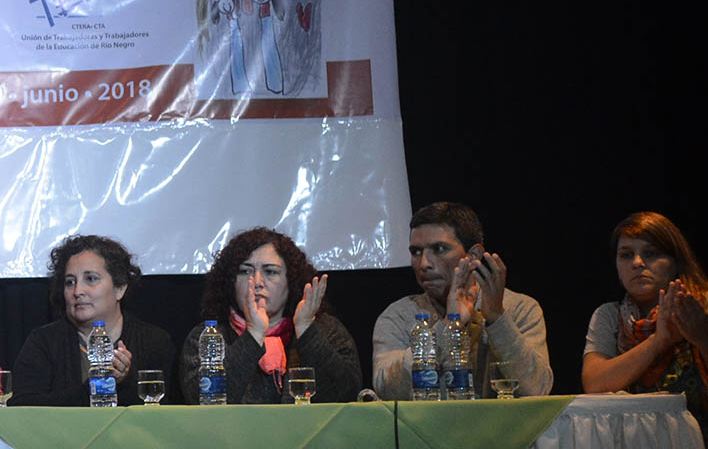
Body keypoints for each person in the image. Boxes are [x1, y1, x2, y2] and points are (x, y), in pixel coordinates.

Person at [373, 202, 553, 399]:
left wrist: (497, 319)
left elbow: (537, 389)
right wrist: (449, 326)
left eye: (439, 248)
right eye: (416, 252)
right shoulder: (398, 315)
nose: (424, 264)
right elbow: (387, 391)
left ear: (473, 255)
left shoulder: (519, 308)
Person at [179, 227, 362, 403]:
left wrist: (307, 331)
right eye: (245, 271)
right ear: (230, 282)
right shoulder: (208, 335)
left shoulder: (326, 329)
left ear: (290, 280)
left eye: (270, 272)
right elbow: (201, 401)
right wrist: (254, 334)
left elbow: (346, 396)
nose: (257, 282)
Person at [10, 234, 175, 406]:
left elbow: (164, 417)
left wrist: (124, 381)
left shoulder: (154, 341)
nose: (77, 291)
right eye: (70, 282)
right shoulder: (43, 342)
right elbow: (22, 409)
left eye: (91, 279)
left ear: (119, 288)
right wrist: (96, 387)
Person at [583, 212, 708, 436]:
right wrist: (658, 340)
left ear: (675, 262)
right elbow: (594, 383)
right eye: (626, 255)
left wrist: (702, 337)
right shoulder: (609, 315)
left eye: (650, 253)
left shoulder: (701, 307)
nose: (637, 263)